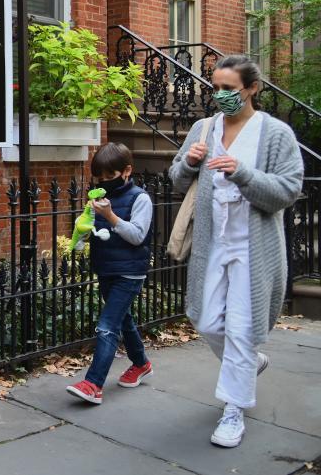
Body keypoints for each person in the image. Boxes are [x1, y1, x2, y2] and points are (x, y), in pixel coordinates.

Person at [169, 54, 303, 448]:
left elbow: (288, 191)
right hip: (213, 242)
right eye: (216, 88)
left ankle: (233, 409)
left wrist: (242, 172)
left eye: (229, 89)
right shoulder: (203, 127)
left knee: (242, 327)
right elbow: (176, 179)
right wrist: (190, 163)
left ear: (252, 89)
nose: (221, 95)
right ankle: (250, 365)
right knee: (208, 321)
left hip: (253, 245)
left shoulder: (275, 133)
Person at [67, 142, 154, 405]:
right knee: (123, 320)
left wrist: (111, 216)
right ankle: (141, 363)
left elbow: (138, 236)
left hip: (130, 272)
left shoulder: (141, 198)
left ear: (127, 171)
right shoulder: (100, 198)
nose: (104, 182)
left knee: (107, 327)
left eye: (110, 176)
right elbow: (90, 229)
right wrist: (82, 232)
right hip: (105, 267)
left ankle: (93, 384)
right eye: (100, 177)